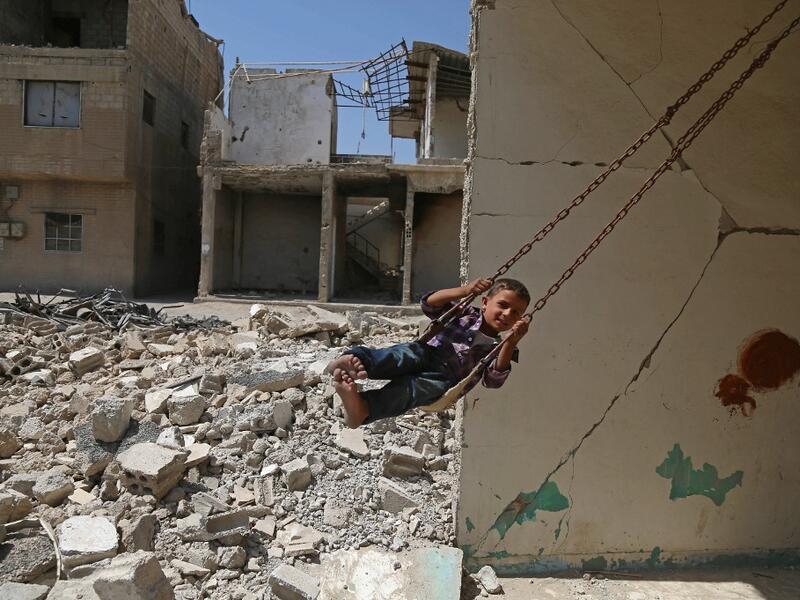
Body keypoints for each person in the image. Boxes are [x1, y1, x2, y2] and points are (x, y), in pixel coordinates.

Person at [327, 278, 531, 427]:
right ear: (485, 303)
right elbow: (429, 303)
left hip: (443, 380)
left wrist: (511, 342)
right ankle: (357, 361)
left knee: (409, 390)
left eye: (516, 312)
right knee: (402, 355)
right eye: (503, 305)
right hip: (427, 352)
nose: (507, 314)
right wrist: (465, 290)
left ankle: (363, 409)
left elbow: (493, 381)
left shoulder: (501, 347)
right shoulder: (465, 313)